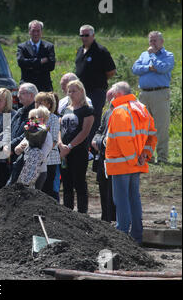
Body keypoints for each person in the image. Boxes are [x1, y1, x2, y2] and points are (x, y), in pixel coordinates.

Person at [105, 81, 157, 244]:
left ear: (119, 94)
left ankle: (122, 236)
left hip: (122, 163)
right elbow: (152, 135)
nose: (110, 96)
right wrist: (144, 155)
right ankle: (136, 236)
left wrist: (133, 158)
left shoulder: (120, 111)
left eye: (112, 93)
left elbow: (122, 139)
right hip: (135, 163)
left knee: (121, 201)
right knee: (134, 198)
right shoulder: (141, 109)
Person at [132, 31, 175, 164]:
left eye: (155, 40)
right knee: (144, 126)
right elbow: (135, 69)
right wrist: (149, 67)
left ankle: (162, 157)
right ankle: (147, 156)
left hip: (160, 93)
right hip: (144, 94)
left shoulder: (168, 55)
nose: (152, 43)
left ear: (162, 42)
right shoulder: (143, 55)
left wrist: (152, 56)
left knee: (161, 127)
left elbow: (163, 68)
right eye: (151, 41)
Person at [75, 25, 116, 147]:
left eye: (86, 35)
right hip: (82, 92)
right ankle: (82, 145)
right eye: (81, 35)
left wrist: (99, 80)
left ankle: (93, 147)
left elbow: (111, 71)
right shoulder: (79, 50)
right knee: (81, 118)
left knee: (94, 118)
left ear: (93, 36)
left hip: (96, 91)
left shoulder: (101, 51)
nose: (84, 37)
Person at [58, 79, 94, 213]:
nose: (71, 94)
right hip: (64, 151)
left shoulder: (87, 110)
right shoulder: (65, 109)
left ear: (81, 91)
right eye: (69, 91)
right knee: (66, 182)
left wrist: (70, 146)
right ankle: (68, 211)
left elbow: (85, 132)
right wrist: (61, 145)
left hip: (79, 150)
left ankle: (82, 212)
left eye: (74, 91)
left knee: (79, 181)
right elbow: (59, 128)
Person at [5, 82, 38, 186]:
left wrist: (10, 146)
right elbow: (8, 129)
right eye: (18, 93)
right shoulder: (19, 111)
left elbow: (28, 134)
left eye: (22, 93)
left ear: (32, 95)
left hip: (23, 156)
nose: (18, 96)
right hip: (11, 154)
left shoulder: (36, 114)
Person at [91, 88, 116, 222]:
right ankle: (105, 218)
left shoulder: (122, 114)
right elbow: (100, 130)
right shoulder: (107, 113)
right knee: (103, 188)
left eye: (112, 97)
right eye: (108, 98)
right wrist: (96, 140)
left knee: (113, 191)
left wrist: (101, 141)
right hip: (102, 156)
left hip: (114, 158)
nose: (110, 101)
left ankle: (114, 218)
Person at [14, 106, 53, 188]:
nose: (30, 121)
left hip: (39, 172)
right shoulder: (29, 133)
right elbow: (17, 150)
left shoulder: (47, 135)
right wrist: (20, 147)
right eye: (30, 118)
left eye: (33, 118)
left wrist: (28, 152)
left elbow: (43, 156)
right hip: (24, 170)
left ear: (42, 119)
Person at [16, 20, 56, 91]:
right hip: (27, 86)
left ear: (41, 32)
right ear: (29, 31)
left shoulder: (49, 47)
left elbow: (51, 66)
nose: (36, 33)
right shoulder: (22, 47)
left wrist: (30, 65)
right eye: (33, 31)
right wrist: (40, 61)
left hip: (44, 86)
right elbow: (21, 62)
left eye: (38, 31)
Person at [35, 92, 60, 201]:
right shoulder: (34, 118)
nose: (37, 105)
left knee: (48, 188)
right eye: (36, 102)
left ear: (49, 105)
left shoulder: (53, 118)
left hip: (50, 159)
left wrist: (43, 153)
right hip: (36, 157)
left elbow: (54, 140)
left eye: (41, 103)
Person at [0, 88, 16, 194]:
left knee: (1, 187)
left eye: (1, 100)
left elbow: (9, 134)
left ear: (7, 102)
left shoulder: (12, 115)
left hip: (4, 158)